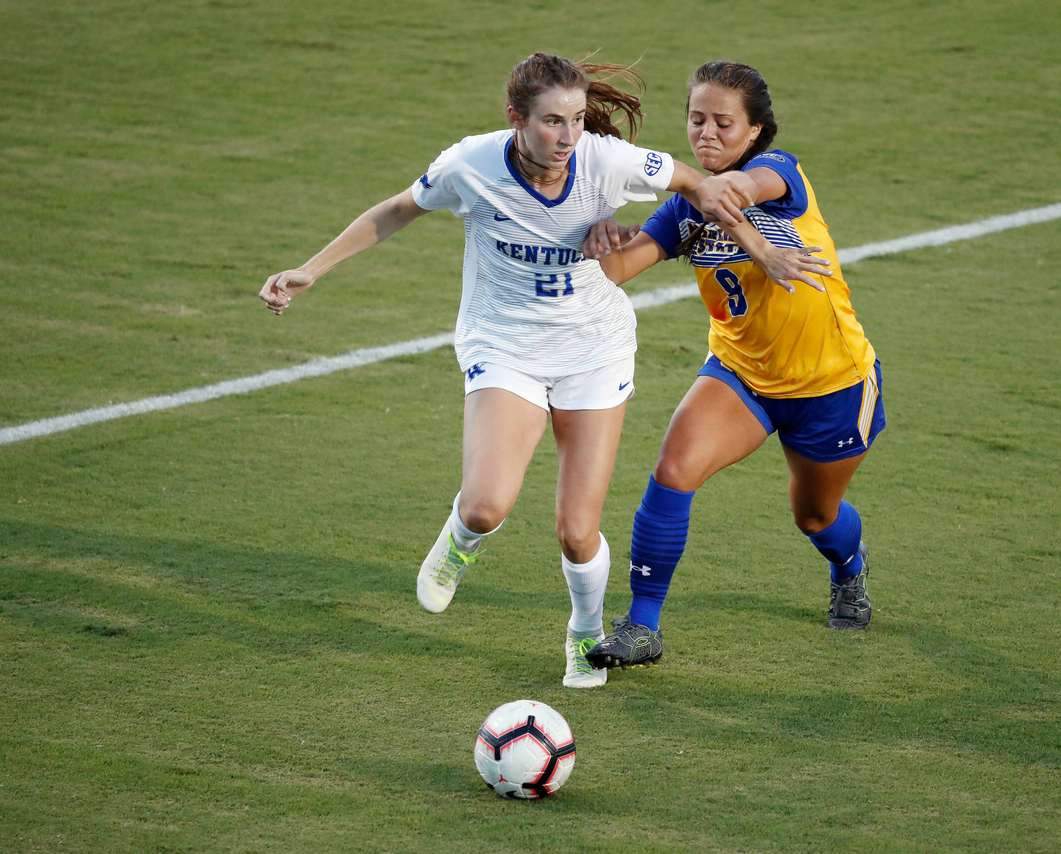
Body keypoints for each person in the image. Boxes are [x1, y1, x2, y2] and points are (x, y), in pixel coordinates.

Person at [258, 53, 748, 688]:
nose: (569, 137)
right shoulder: (471, 164)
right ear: (516, 119)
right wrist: (310, 269)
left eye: (576, 120)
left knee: (578, 532)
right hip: (505, 344)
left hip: (593, 352)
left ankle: (584, 633)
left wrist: (693, 202)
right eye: (552, 122)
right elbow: (398, 209)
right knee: (487, 505)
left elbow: (684, 177)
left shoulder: (603, 159)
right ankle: (459, 541)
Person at [578, 60, 885, 671]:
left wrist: (732, 214)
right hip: (740, 374)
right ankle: (642, 626)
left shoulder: (780, 171)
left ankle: (849, 568)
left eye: (724, 123)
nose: (707, 134)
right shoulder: (685, 208)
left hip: (832, 385)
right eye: (697, 120)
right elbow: (614, 273)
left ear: (754, 132)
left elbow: (742, 192)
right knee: (672, 471)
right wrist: (592, 234)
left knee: (816, 516)